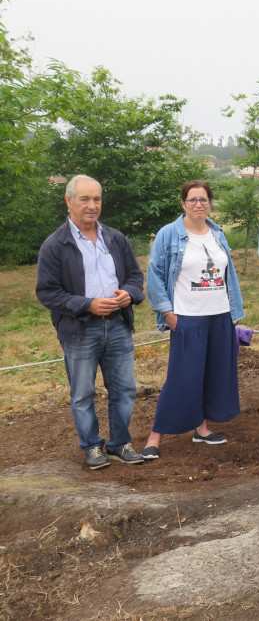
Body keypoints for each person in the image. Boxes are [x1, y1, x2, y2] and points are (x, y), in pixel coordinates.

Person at [36, 175, 145, 469]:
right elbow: (48, 293)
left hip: (118, 325)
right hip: (80, 330)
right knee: (83, 393)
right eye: (84, 199)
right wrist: (88, 304)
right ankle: (92, 446)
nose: (92, 205)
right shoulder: (55, 245)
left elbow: (135, 276)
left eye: (96, 199)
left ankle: (120, 443)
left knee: (124, 389)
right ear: (69, 201)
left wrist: (129, 295)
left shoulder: (115, 238)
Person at [140, 180, 244, 460]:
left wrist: (234, 313)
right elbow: (154, 275)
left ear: (210, 202)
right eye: (192, 199)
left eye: (204, 199)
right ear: (183, 203)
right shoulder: (169, 234)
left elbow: (226, 274)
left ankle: (202, 429)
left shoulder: (217, 233)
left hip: (220, 315)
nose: (198, 204)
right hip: (187, 317)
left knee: (213, 373)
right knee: (182, 377)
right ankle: (155, 436)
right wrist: (166, 312)